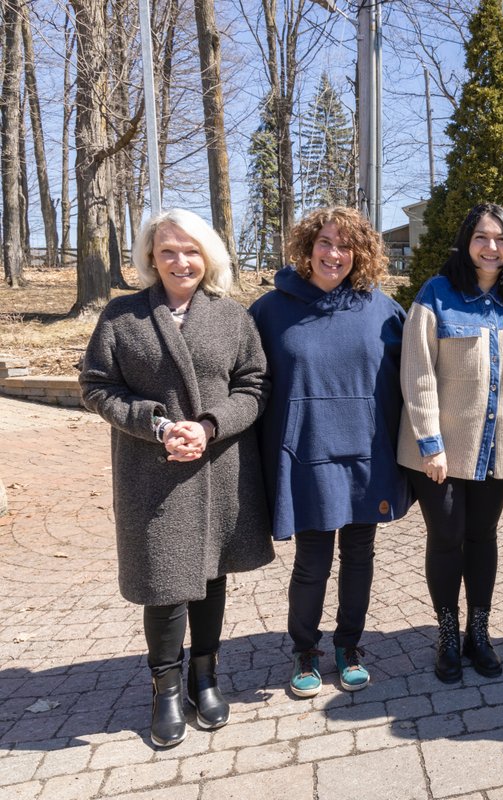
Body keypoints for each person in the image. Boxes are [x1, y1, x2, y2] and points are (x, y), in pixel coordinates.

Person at [80, 209, 274, 748]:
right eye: (167, 250)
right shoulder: (123, 317)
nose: (179, 260)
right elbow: (96, 386)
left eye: (190, 250)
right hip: (153, 472)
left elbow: (254, 386)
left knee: (211, 576)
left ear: (207, 255)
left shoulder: (232, 318)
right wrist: (158, 425)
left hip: (216, 467)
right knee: (163, 585)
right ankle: (165, 689)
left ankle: (204, 676)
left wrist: (210, 426)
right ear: (151, 257)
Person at [250, 206, 410, 698]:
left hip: (367, 453)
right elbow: (248, 384)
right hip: (304, 454)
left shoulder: (381, 309)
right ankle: (305, 649)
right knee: (312, 559)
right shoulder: (270, 311)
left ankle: (349, 645)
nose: (334, 253)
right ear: (307, 247)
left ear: (361, 253)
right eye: (325, 242)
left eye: (346, 245)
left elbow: (412, 384)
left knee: (360, 554)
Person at [398, 203, 503, 683]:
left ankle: (478, 633)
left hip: (496, 449)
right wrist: (430, 442)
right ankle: (447, 633)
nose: (492, 247)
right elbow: (417, 372)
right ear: (466, 242)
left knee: (483, 538)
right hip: (440, 450)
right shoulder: (437, 295)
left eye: (502, 240)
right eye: (482, 237)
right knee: (447, 538)